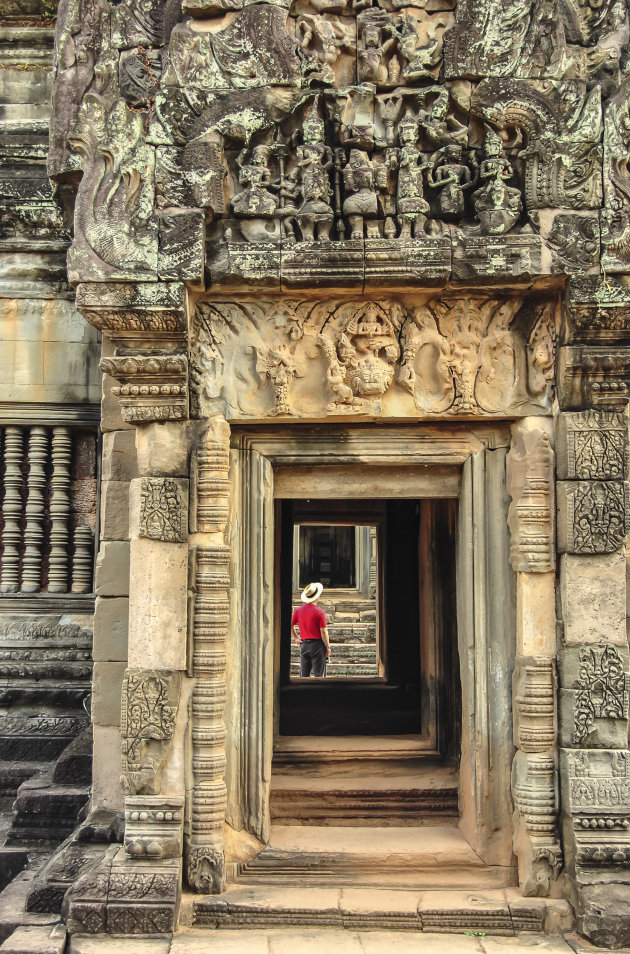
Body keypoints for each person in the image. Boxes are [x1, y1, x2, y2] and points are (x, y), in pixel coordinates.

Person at [292, 582, 331, 677]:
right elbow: (323, 631)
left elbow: (290, 625)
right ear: (317, 597)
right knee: (319, 676)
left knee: (303, 676)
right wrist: (328, 646)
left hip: (304, 645)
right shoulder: (319, 612)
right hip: (317, 645)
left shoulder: (298, 611)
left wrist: (296, 638)